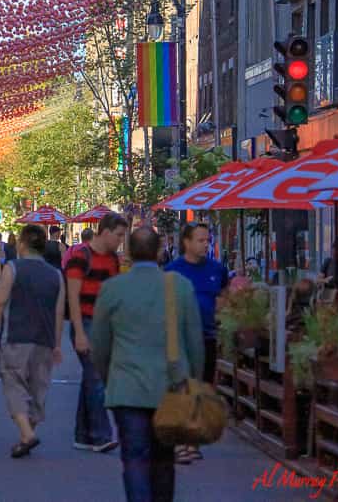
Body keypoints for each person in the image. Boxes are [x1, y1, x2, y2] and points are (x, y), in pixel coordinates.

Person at [91, 227, 205, 502]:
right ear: (159, 251)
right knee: (164, 459)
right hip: (170, 387)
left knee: (134, 459)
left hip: (126, 388)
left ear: (128, 252)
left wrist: (109, 378)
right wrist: (194, 383)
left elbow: (100, 344)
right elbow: (195, 343)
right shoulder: (178, 286)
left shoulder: (113, 288)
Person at [0, 225, 64, 458]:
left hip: (16, 337)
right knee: (38, 388)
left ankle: (26, 434)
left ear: (21, 244)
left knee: (14, 383)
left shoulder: (12, 268)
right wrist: (57, 343)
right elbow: (59, 311)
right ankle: (26, 433)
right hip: (45, 339)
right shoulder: (56, 275)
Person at [163, 222, 229, 464]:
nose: (205, 245)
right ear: (186, 242)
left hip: (207, 336)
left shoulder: (217, 269)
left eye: (207, 240)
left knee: (200, 387)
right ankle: (181, 442)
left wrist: (220, 311)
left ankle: (192, 441)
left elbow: (223, 294)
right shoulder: (172, 270)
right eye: (200, 240)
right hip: (179, 338)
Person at [66, 211, 127, 453]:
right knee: (97, 377)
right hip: (86, 322)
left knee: (91, 378)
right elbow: (73, 297)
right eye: (119, 235)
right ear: (105, 232)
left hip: (104, 324)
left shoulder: (112, 259)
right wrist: (79, 332)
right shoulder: (80, 256)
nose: (121, 240)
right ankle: (102, 435)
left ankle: (83, 434)